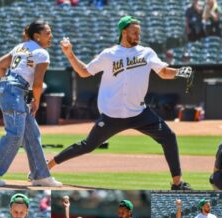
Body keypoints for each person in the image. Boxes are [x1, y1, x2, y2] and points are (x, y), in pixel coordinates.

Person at [47, 15, 193, 190]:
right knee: (87, 145)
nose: (138, 36)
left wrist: (179, 72)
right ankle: (48, 165)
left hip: (139, 113)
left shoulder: (146, 52)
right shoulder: (109, 54)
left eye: (139, 32)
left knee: (169, 137)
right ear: (124, 32)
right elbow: (84, 72)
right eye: (134, 32)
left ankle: (177, 183)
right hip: (112, 115)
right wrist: (70, 55)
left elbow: (163, 72)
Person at [0, 20, 62, 187]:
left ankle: (40, 175)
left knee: (32, 134)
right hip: (14, 92)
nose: (51, 36)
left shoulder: (20, 47)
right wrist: (35, 101)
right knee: (15, 134)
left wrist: (8, 85)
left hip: (11, 90)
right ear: (37, 36)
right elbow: (37, 83)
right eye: (48, 33)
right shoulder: (41, 53)